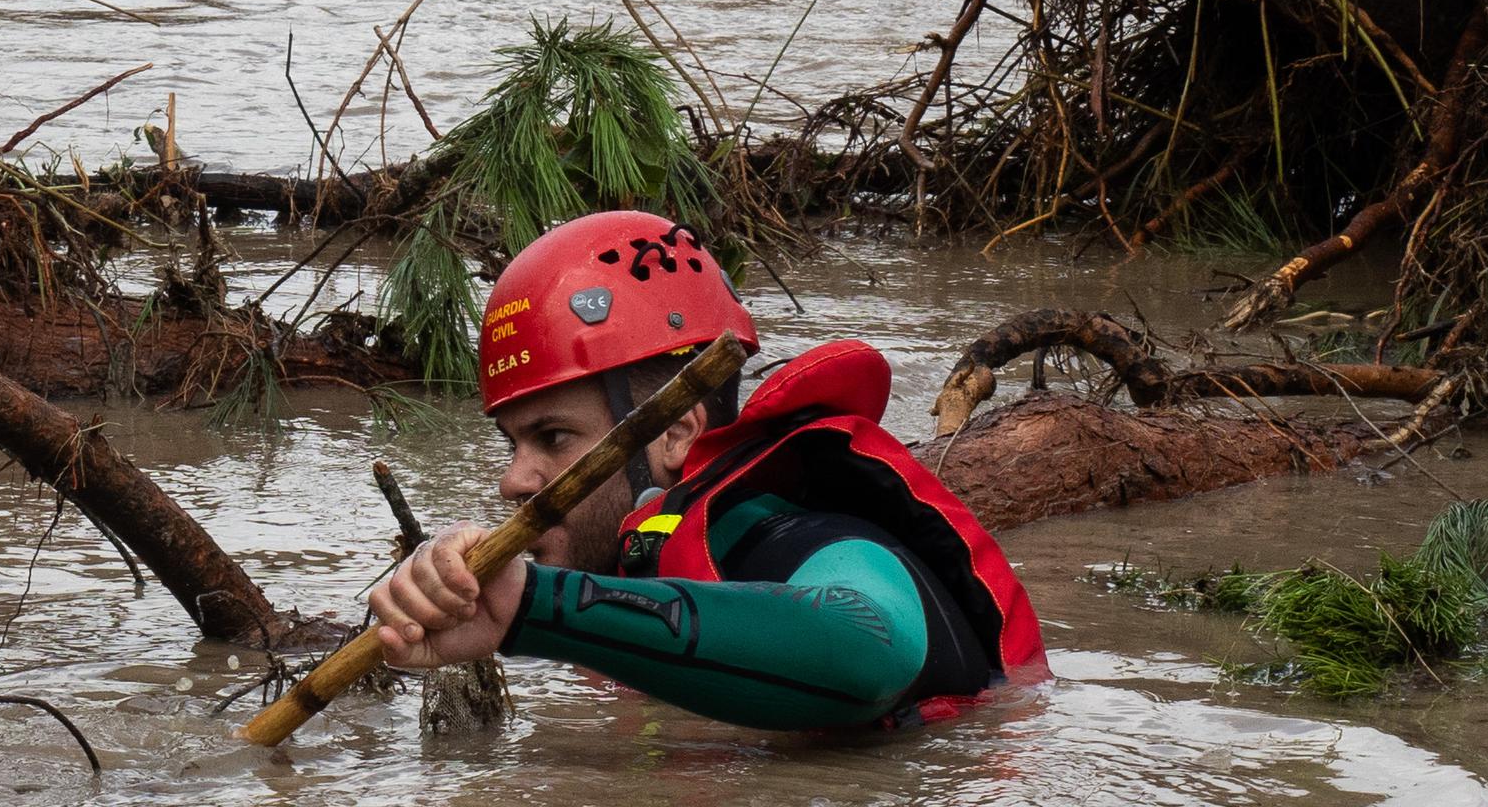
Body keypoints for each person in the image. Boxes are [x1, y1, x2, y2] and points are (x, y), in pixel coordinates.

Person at [367, 208, 1047, 732]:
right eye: (511, 445)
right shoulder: (649, 565)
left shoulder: (802, 539)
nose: (514, 480)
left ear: (674, 432)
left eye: (552, 437)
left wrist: (533, 607)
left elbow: (870, 650)